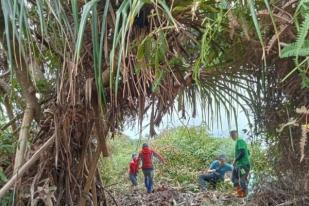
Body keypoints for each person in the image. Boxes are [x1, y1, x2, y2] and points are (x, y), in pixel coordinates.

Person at [230, 130, 251, 198]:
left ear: (237, 134)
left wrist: (235, 160)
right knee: (233, 178)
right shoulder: (238, 142)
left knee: (242, 179)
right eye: (231, 135)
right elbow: (248, 153)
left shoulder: (240, 141)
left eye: (233, 134)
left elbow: (242, 152)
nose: (232, 136)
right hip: (238, 165)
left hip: (243, 165)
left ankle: (245, 195)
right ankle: (239, 192)